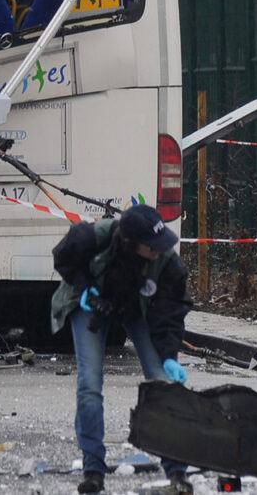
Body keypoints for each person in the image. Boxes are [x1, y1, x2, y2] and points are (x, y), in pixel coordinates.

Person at [50, 204, 194, 494]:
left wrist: (168, 355)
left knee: (161, 383)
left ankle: (177, 472)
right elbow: (63, 258)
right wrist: (85, 286)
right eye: (151, 246)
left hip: (136, 308)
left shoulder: (166, 261)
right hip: (91, 302)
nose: (158, 250)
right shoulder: (91, 237)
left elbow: (171, 310)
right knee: (89, 385)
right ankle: (93, 470)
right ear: (130, 241)